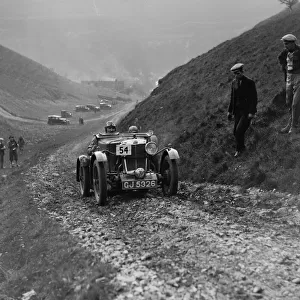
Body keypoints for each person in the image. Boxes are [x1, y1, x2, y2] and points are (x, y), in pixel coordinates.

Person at [227, 63, 258, 157]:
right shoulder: (234, 83)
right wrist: (230, 111)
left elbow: (254, 98)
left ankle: (238, 150)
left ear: (242, 72)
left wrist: (252, 112)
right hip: (237, 112)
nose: (237, 75)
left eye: (238, 73)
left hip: (246, 111)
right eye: (235, 74)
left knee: (239, 131)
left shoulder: (250, 82)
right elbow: (233, 98)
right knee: (235, 132)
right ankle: (242, 148)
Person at [278, 34, 300, 134]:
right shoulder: (285, 51)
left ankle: (294, 127)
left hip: (299, 78)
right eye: (284, 44)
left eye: (286, 44)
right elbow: (280, 58)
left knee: (296, 103)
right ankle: (290, 124)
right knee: (289, 102)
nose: (285, 46)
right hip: (289, 78)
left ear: (292, 42)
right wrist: (284, 66)